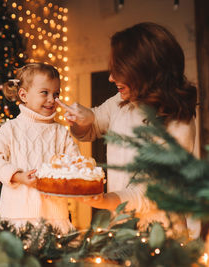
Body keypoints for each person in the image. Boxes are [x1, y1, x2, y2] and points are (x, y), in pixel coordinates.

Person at [56, 22, 198, 236]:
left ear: (145, 71)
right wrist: (84, 119)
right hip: (120, 233)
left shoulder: (179, 123)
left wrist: (106, 200)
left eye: (118, 70)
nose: (111, 78)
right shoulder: (120, 103)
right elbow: (94, 123)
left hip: (162, 240)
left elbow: (153, 192)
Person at [0, 63, 80, 233]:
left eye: (56, 94)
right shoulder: (11, 129)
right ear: (23, 95)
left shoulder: (61, 132)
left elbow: (76, 165)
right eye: (44, 93)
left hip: (54, 217)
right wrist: (18, 176)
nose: (52, 99)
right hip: (16, 217)